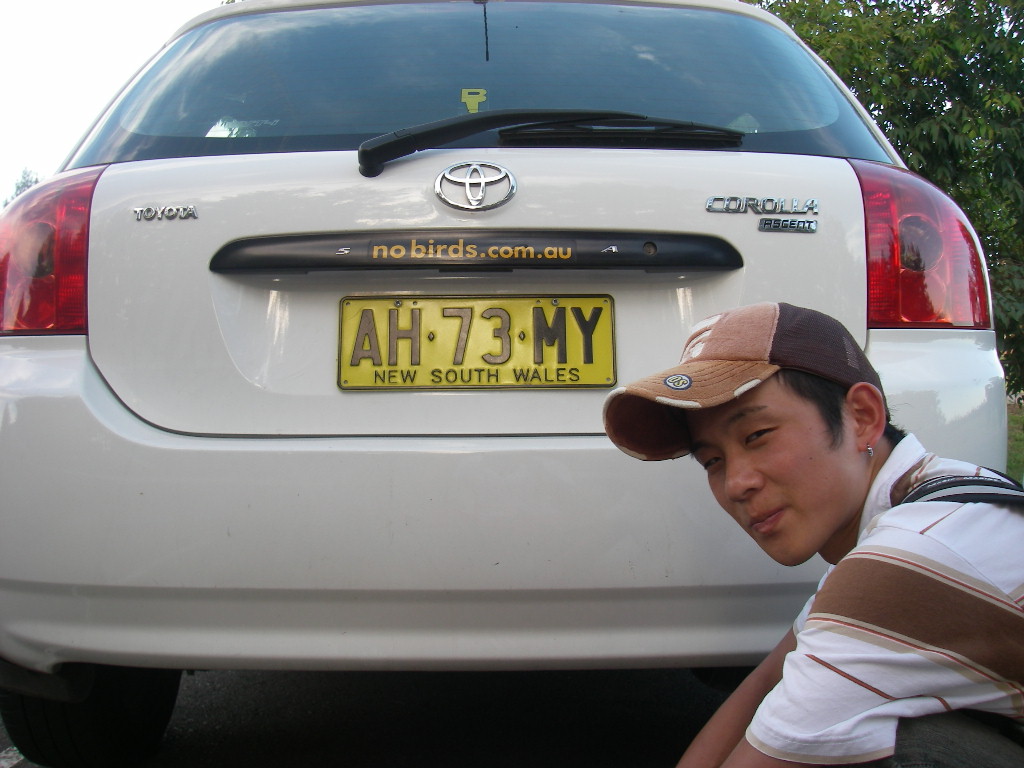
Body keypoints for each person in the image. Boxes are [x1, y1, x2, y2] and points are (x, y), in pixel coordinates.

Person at [602, 302, 1024, 768]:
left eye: (757, 435)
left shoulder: (912, 557)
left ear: (862, 416)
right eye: (712, 461)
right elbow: (761, 691)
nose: (736, 484)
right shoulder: (927, 502)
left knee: (903, 746)